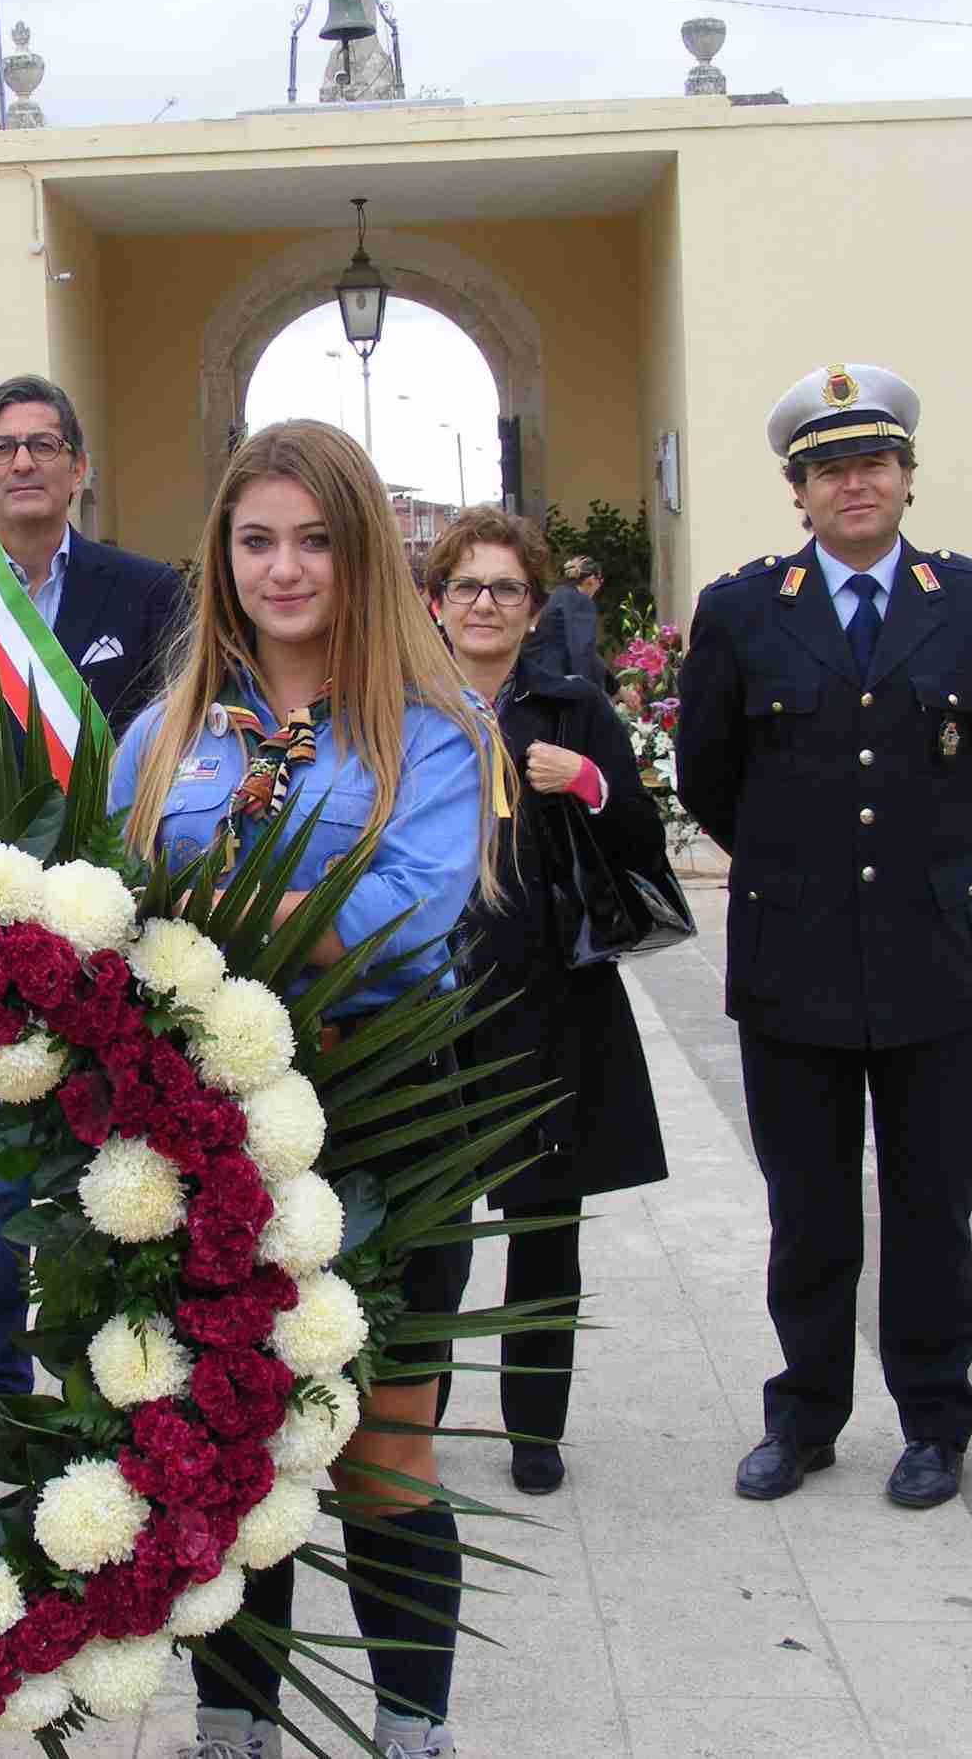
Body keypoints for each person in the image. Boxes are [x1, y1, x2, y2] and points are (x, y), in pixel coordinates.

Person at [113, 419, 500, 1759]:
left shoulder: (435, 731)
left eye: (315, 539)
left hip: (385, 1118)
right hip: (205, 1136)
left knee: (382, 1450)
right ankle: (237, 1731)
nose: (285, 569)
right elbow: (109, 918)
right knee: (231, 1446)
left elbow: (404, 917)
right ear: (221, 556)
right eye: (257, 539)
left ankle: (411, 1730)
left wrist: (210, 896)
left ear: (362, 553)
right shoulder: (161, 741)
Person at [678, 362, 972, 1510]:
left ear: (906, 476)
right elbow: (709, 778)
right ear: (797, 490)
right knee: (809, 1207)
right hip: (793, 958)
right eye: (829, 466)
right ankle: (806, 1414)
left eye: (873, 461)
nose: (854, 482)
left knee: (932, 1204)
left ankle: (935, 1418)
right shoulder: (743, 610)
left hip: (936, 955)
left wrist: (925, 873)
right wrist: (804, 878)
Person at [0, 374, 185, 1483]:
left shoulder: (149, 592)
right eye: (2, 447)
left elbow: (174, 754)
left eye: (45, 444)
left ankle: (110, 1387)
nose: (24, 463)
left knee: (122, 1164)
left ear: (79, 467)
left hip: (117, 928)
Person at [426, 506, 671, 1496]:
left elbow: (645, 841)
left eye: (506, 589)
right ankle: (415, 1415)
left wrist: (591, 785)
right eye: (466, 587)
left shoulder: (572, 710)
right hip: (427, 1010)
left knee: (542, 1226)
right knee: (424, 1235)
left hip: (546, 1004)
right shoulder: (398, 705)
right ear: (433, 603)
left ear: (534, 608)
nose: (484, 604)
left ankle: (534, 1423)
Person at [530, 553, 609, 690]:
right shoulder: (580, 602)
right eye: (600, 580)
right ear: (591, 580)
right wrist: (589, 693)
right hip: (558, 682)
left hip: (535, 675)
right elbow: (581, 652)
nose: (599, 586)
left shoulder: (555, 596)